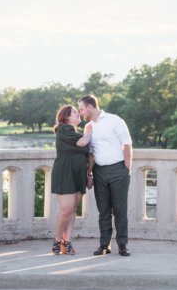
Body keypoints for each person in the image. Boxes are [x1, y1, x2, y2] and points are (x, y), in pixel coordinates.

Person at [78, 95, 133, 256]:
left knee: (120, 209)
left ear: (90, 107)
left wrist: (126, 170)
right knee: (103, 210)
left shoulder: (114, 120)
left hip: (118, 170)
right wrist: (89, 174)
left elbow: (127, 144)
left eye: (81, 109)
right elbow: (90, 154)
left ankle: (122, 244)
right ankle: (104, 245)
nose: (80, 113)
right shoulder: (88, 127)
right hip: (99, 172)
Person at [50, 105, 94, 255]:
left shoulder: (76, 133)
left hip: (78, 174)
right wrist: (89, 131)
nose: (79, 114)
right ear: (67, 117)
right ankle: (57, 240)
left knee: (73, 209)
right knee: (67, 209)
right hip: (65, 173)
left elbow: (88, 155)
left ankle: (66, 242)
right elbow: (82, 144)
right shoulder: (64, 129)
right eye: (75, 112)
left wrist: (89, 175)